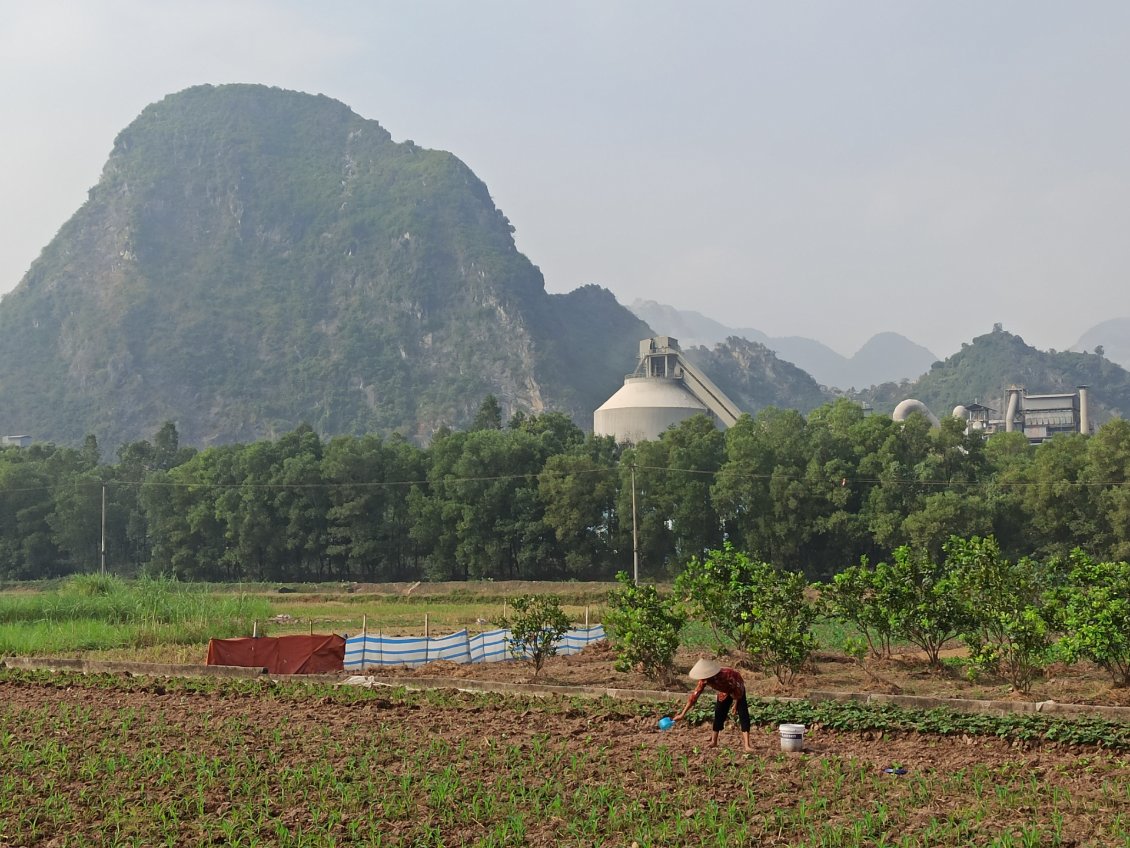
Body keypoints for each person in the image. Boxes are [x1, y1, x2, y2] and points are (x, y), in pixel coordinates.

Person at [672, 657, 753, 752]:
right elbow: (694, 697)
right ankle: (714, 741)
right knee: (718, 713)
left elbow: (738, 690)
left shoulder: (727, 675)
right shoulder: (704, 680)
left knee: (743, 714)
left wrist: (736, 704)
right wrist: (682, 714)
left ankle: (747, 745)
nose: (703, 680)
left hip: (737, 687)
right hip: (724, 691)